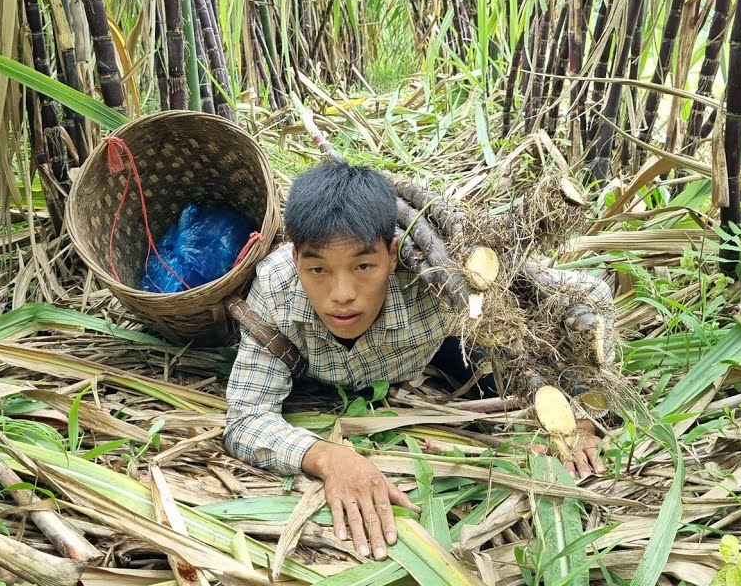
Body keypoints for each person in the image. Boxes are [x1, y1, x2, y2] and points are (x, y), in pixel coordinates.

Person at [224, 161, 607, 561]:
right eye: (317, 268)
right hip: (314, 374)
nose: (341, 294)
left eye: (363, 266)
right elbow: (245, 419)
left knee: (503, 374)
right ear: (296, 257)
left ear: (392, 255)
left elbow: (590, 294)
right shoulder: (275, 286)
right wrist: (327, 457)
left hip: (437, 352)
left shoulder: (438, 278)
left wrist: (580, 412)